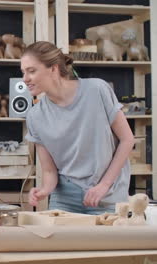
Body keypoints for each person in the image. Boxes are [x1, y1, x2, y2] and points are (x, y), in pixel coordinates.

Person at [22, 41, 135, 215]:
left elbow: (127, 140)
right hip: (64, 198)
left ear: (53, 69)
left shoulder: (97, 90)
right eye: (23, 72)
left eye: (31, 71)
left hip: (107, 195)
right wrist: (44, 190)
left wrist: (103, 186)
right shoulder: (35, 116)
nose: (25, 79)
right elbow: (50, 170)